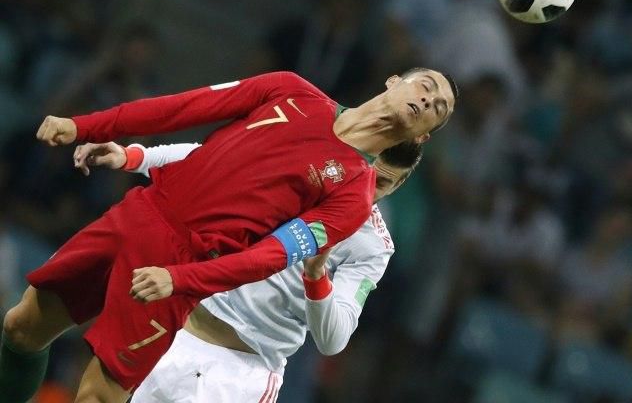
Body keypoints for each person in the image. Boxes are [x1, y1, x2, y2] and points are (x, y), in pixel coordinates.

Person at [0, 69, 457, 402]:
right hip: (139, 212)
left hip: (179, 262)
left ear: (423, 137)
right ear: (392, 81)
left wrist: (181, 279)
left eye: (438, 107)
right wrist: (87, 126)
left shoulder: (352, 195)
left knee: (96, 396)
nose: (428, 99)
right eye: (426, 85)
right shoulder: (291, 89)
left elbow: (270, 258)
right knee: (21, 328)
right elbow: (184, 107)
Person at [72, 137, 420, 402]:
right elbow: (213, 156)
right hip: (173, 334)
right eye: (367, 172)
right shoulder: (307, 163)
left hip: (240, 376)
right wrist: (135, 156)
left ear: (400, 185)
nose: (365, 190)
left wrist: (316, 276)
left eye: (383, 184)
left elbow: (333, 340)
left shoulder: (373, 244)